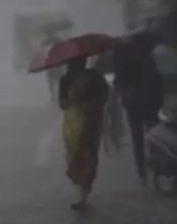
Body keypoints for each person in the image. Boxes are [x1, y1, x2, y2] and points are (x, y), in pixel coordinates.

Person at [58, 57, 110, 211]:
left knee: (89, 157)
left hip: (90, 123)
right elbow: (62, 103)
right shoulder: (66, 79)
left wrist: (90, 104)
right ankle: (82, 194)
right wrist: (73, 100)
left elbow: (105, 96)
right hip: (74, 125)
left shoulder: (94, 77)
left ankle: (83, 196)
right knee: (76, 156)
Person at [114, 33, 164, 186]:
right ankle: (157, 165)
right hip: (151, 103)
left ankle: (142, 172)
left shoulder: (123, 60)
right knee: (155, 135)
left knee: (138, 139)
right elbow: (158, 80)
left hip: (133, 105)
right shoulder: (149, 58)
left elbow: (118, 83)